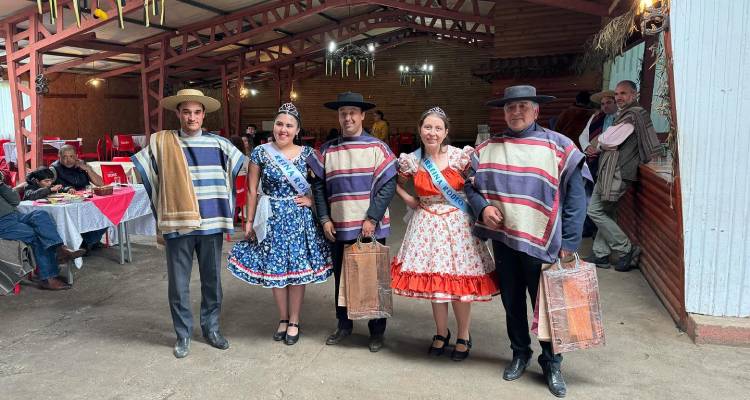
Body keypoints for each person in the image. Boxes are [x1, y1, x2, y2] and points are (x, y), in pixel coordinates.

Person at [465, 85, 590, 398]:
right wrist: (484, 207)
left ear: (536, 110)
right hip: (505, 240)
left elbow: (577, 197)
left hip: (543, 243)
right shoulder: (489, 147)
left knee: (546, 305)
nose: (516, 112)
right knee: (512, 303)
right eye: (510, 108)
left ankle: (552, 362)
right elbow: (470, 187)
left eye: (523, 106)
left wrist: (571, 242)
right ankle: (520, 352)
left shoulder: (559, 147)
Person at [131, 88, 245, 358]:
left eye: (196, 112)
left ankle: (212, 329)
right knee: (178, 284)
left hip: (211, 223)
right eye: (186, 112)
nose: (192, 117)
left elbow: (244, 166)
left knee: (212, 281)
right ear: (178, 114)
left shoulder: (220, 144)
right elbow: (141, 168)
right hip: (178, 224)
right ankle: (183, 335)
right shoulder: (163, 143)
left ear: (204, 115)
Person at [391, 106, 498, 361]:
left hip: (457, 225)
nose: (432, 132)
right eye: (428, 127)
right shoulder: (412, 160)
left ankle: (463, 334)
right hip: (426, 225)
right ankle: (441, 332)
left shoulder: (460, 157)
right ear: (420, 130)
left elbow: (478, 183)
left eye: (438, 128)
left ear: (446, 131)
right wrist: (408, 198)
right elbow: (391, 182)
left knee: (459, 284)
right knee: (435, 284)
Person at [226, 103, 332, 346]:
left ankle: (294, 320)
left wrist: (312, 202)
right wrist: (249, 222)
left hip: (299, 219)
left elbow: (323, 185)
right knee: (276, 269)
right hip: (271, 217)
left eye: (289, 125)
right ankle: (282, 318)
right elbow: (252, 190)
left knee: (296, 272)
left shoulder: (308, 154)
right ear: (274, 127)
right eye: (279, 124)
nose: (283, 129)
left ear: (297, 130)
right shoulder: (261, 153)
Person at [308, 92, 397, 352]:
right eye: (342, 113)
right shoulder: (328, 149)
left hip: (369, 227)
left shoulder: (377, 147)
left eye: (352, 113)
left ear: (362, 116)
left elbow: (388, 186)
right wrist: (324, 218)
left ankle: (377, 330)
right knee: (342, 278)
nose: (347, 117)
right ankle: (344, 325)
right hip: (338, 225)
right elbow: (318, 187)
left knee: (373, 277)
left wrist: (372, 218)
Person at [584, 80, 661, 271]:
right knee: (606, 210)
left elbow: (609, 139)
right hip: (611, 170)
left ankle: (625, 248)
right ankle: (601, 254)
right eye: (617, 94)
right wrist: (602, 140)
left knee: (595, 210)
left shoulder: (633, 114)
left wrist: (600, 141)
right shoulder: (626, 114)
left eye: (623, 94)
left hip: (618, 170)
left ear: (634, 95)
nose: (618, 97)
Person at [0, 171, 85, 290]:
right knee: (38, 235)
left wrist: (1, 185)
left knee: (40, 215)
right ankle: (48, 278)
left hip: (15, 215)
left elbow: (15, 201)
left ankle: (59, 249)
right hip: (3, 223)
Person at [50, 145, 106, 252]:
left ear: (76, 156)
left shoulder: (82, 165)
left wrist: (88, 170)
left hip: (86, 201)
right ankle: (87, 243)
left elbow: (101, 184)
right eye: (65, 157)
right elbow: (48, 187)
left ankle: (88, 242)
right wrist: (66, 189)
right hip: (68, 205)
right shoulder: (53, 169)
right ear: (59, 157)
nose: (68, 160)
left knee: (107, 213)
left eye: (71, 156)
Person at [578, 90, 617, 237]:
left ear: (615, 103)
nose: (605, 106)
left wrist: (598, 149)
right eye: (602, 104)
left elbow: (613, 140)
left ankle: (597, 232)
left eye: (609, 103)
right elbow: (583, 135)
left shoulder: (619, 119)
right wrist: (587, 147)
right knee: (586, 194)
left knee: (599, 200)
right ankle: (588, 228)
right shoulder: (596, 117)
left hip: (607, 161)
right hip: (591, 159)